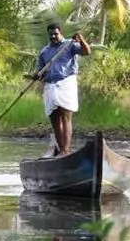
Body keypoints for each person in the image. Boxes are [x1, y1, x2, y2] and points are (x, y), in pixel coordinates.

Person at [30, 24, 90, 156]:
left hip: (66, 82)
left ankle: (65, 151)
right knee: (55, 117)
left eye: (55, 34)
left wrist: (81, 39)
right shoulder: (44, 51)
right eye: (51, 34)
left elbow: (86, 52)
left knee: (65, 116)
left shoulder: (70, 44)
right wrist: (36, 76)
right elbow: (40, 72)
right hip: (51, 85)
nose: (53, 36)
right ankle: (62, 150)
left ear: (60, 33)